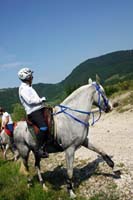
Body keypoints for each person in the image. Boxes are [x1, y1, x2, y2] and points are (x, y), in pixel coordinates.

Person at [18, 67, 49, 158]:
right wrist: (41, 100)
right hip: (33, 112)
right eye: (31, 76)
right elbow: (30, 101)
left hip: (39, 109)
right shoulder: (23, 89)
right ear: (27, 77)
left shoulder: (28, 87)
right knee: (43, 127)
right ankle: (38, 149)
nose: (32, 77)